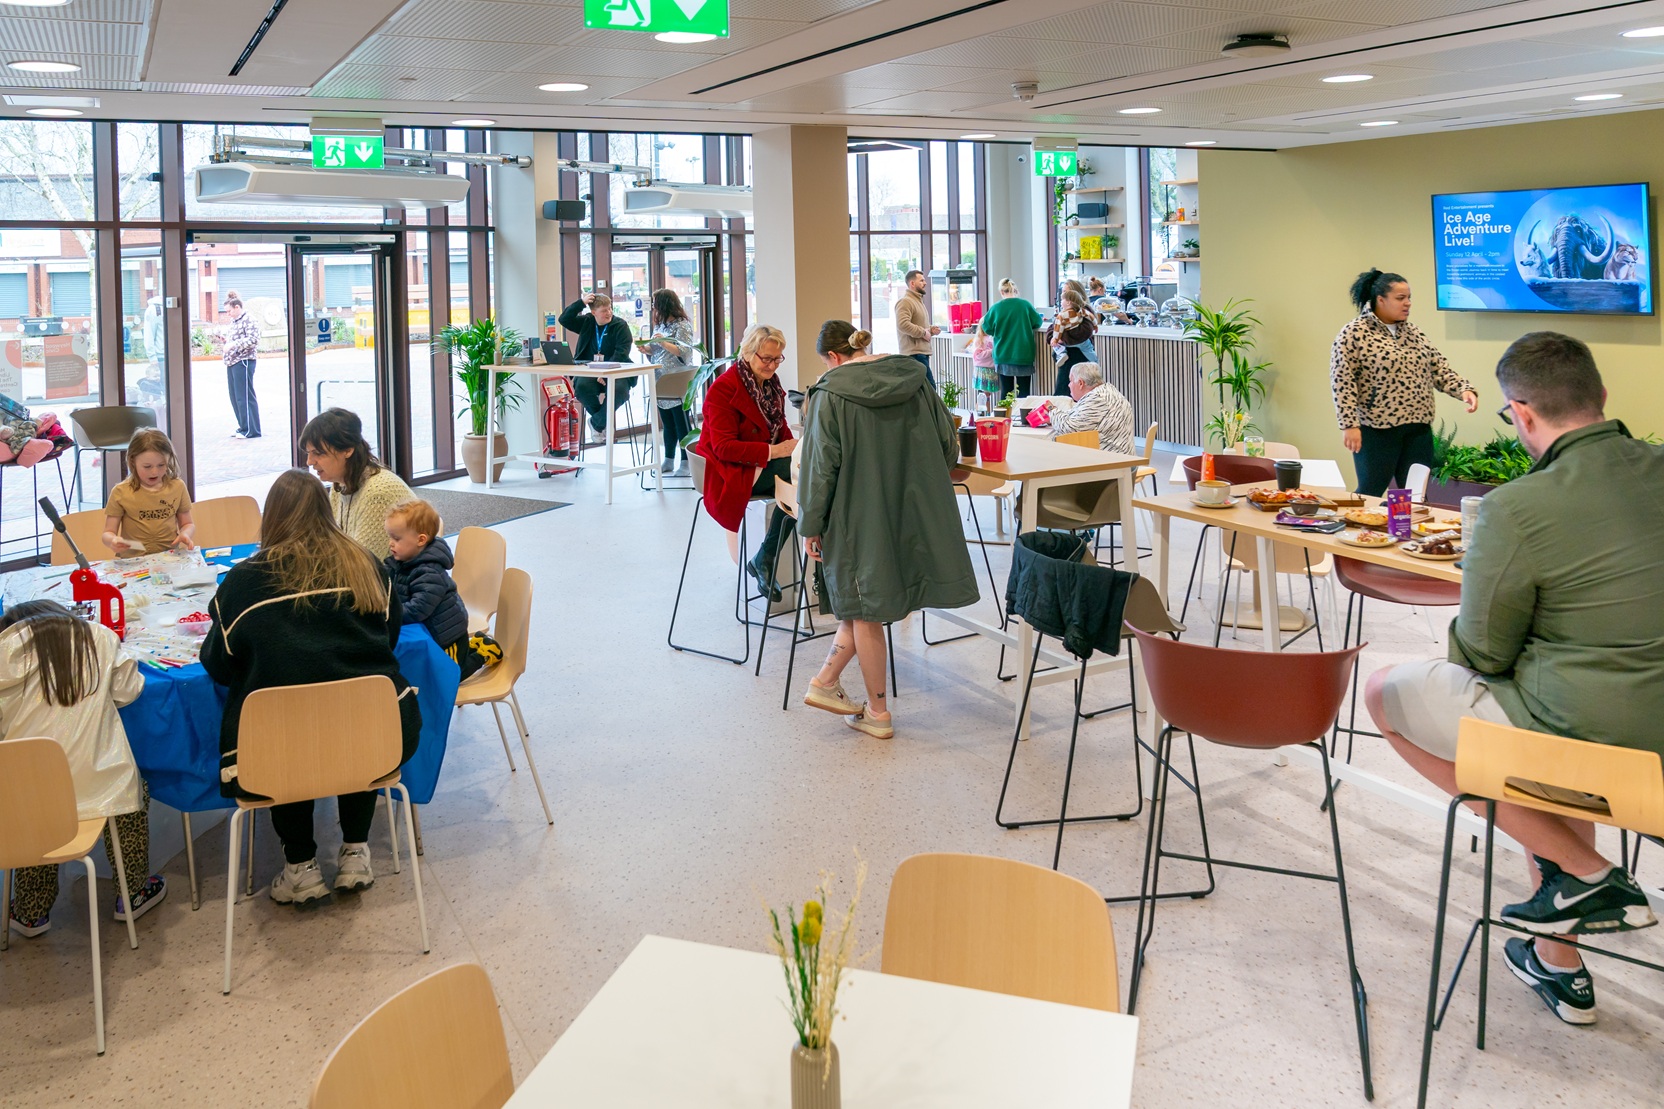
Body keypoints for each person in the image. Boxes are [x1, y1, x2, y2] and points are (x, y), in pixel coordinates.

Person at [1365, 332, 1663, 1027]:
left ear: (1521, 415)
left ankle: (1589, 872)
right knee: (1553, 716)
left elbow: (1481, 655)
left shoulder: (1514, 508)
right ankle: (1559, 960)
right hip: (1654, 759)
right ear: (1603, 400)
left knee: (1389, 694)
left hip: (1585, 750)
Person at [201, 470, 421, 904]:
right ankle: (356, 850)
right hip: (377, 731)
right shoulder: (368, 565)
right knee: (348, 712)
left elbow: (219, 665)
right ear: (326, 511)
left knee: (284, 725)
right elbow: (389, 637)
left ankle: (299, 865)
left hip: (278, 744)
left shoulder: (244, 582)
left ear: (272, 518)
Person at [797, 320, 978, 740]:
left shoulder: (829, 394)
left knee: (863, 607)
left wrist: (811, 525)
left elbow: (821, 469)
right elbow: (948, 447)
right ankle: (825, 682)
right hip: (912, 510)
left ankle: (877, 713)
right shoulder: (914, 380)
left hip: (857, 517)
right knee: (865, 608)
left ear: (834, 358)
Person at [1, 600, 166, 935]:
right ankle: (132, 892)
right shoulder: (101, 639)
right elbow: (129, 691)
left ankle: (31, 910)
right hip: (103, 784)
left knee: (32, 815)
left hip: (32, 793)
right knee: (132, 793)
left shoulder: (5, 655)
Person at [1331, 268, 1478, 495]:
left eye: (1409, 298)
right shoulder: (1353, 333)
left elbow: (1438, 368)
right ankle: (1361, 530)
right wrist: (1349, 424)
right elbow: (1342, 382)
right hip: (1377, 429)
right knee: (1370, 491)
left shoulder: (1414, 333)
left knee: (1415, 495)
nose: (1407, 303)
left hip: (1417, 429)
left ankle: (1405, 531)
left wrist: (1464, 390)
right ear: (1380, 300)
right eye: (1400, 298)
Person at [695, 324, 795, 602]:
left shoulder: (770, 386)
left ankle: (766, 557)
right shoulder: (723, 389)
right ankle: (768, 558)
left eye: (778, 358)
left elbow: (780, 430)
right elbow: (724, 448)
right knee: (801, 477)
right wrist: (776, 452)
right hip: (731, 473)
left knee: (806, 472)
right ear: (749, 353)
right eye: (767, 358)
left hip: (755, 465)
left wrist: (795, 449)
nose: (773, 365)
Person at [384, 498, 494, 681]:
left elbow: (418, 609)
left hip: (445, 636)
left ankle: (483, 651)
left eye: (396, 538)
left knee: (447, 679)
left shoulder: (430, 572)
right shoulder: (400, 562)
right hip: (425, 632)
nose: (390, 543)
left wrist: (388, 615)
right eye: (390, 537)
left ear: (420, 540)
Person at [300, 407, 415, 560]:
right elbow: (329, 540)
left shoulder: (378, 493)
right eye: (308, 453)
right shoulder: (340, 484)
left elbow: (363, 564)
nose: (310, 462)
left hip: (392, 580)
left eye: (318, 453)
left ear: (347, 450)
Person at [103, 427, 194, 556]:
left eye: (161, 465)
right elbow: (108, 533)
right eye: (147, 466)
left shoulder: (177, 487)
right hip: (133, 562)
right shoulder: (120, 492)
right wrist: (113, 540)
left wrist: (185, 534)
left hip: (169, 559)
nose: (154, 472)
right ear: (133, 461)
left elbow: (187, 523)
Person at [636, 288, 697, 477]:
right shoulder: (660, 325)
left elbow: (684, 352)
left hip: (677, 379)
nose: (653, 307)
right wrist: (646, 349)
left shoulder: (682, 325)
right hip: (660, 378)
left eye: (655, 303)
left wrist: (662, 342)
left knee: (681, 422)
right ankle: (669, 459)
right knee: (667, 423)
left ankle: (686, 462)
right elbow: (656, 350)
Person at [559, 292, 636, 433]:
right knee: (581, 388)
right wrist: (581, 303)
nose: (609, 313)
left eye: (610, 308)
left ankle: (597, 424)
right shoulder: (587, 322)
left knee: (619, 391)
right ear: (593, 312)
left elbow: (622, 352)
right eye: (604, 311)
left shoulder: (620, 325)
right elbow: (564, 319)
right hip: (590, 371)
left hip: (616, 370)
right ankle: (602, 422)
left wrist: (606, 372)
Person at [1047, 362, 1133, 455]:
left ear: (1080, 383)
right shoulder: (1105, 391)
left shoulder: (1097, 398)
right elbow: (1076, 417)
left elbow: (1070, 428)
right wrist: (1053, 417)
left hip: (1114, 461)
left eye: (1071, 381)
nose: (1069, 385)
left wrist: (1052, 410)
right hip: (1117, 455)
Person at [976, 278, 1041, 399]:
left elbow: (986, 327)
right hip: (1023, 354)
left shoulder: (996, 308)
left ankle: (1004, 417)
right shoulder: (1025, 305)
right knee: (1024, 393)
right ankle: (1023, 417)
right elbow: (1038, 322)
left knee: (1006, 392)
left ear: (1001, 292)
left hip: (1003, 354)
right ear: (1015, 290)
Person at [220, 291, 262, 440]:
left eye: (229, 311)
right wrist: (226, 341)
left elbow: (254, 339)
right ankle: (243, 426)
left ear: (237, 307)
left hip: (244, 361)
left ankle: (251, 429)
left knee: (244, 395)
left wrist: (233, 345)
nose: (228, 314)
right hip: (232, 362)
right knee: (235, 396)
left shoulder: (249, 320)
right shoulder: (235, 321)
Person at [892, 268, 942, 386]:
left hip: (921, 353)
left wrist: (930, 330)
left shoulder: (918, 301)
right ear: (912, 283)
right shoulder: (905, 302)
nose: (925, 283)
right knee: (930, 388)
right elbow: (902, 324)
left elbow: (918, 325)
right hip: (914, 354)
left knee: (925, 390)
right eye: (921, 281)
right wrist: (924, 333)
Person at [1049, 287, 1100, 396]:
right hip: (1072, 358)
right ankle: (1094, 361)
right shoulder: (1080, 312)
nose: (1061, 299)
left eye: (1064, 294)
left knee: (1072, 393)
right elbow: (1050, 331)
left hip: (1077, 358)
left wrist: (1059, 339)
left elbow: (1082, 333)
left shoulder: (1073, 312)